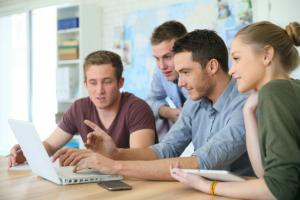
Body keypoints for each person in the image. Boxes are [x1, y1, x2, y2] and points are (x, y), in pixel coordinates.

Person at [59, 29, 252, 180]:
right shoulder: (195, 104)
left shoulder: (244, 104)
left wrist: (114, 165)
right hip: (204, 188)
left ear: (212, 66)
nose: (180, 83)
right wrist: (116, 153)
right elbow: (166, 150)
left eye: (186, 72)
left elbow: (200, 162)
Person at [170, 21, 300, 200]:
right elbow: (264, 175)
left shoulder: (275, 92)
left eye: (237, 58)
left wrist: (207, 186)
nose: (232, 70)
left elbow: (279, 189)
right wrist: (248, 112)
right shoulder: (282, 90)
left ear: (267, 55)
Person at [8, 50, 157, 167]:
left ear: (120, 82)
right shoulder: (79, 108)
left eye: (107, 82)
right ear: (85, 84)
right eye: (93, 83)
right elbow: (50, 145)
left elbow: (141, 159)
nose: (99, 90)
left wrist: (85, 155)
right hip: (97, 180)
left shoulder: (137, 108)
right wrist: (28, 152)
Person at [146, 20, 189, 140]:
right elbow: (150, 101)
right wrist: (166, 112)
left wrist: (184, 114)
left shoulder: (201, 71)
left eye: (167, 57)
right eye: (157, 59)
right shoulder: (160, 71)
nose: (161, 66)